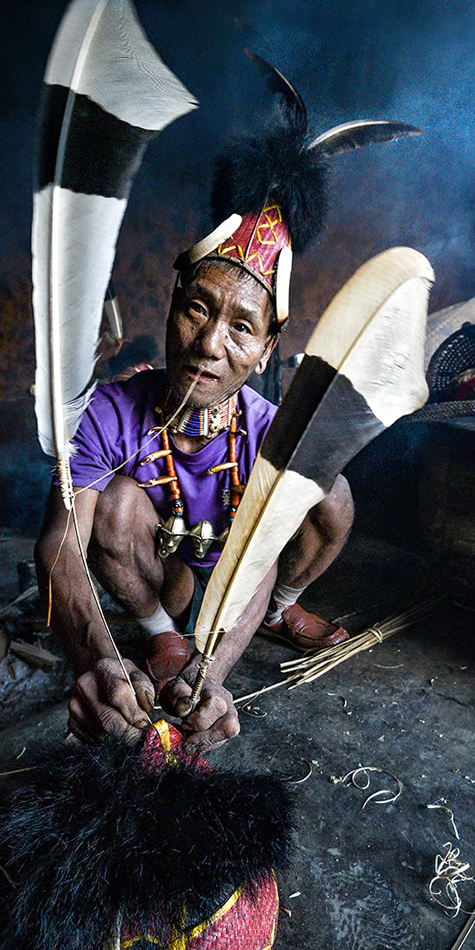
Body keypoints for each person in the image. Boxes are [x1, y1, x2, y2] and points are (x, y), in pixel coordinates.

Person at [35, 249, 354, 751]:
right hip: (166, 576)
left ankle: (278, 612)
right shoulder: (105, 412)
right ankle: (161, 632)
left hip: (240, 568)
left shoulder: (271, 433)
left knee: (329, 491)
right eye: (198, 309)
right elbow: (61, 544)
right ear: (172, 310)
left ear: (266, 351)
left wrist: (212, 672)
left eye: (242, 327)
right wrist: (97, 658)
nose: (209, 344)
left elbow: (260, 560)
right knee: (116, 500)